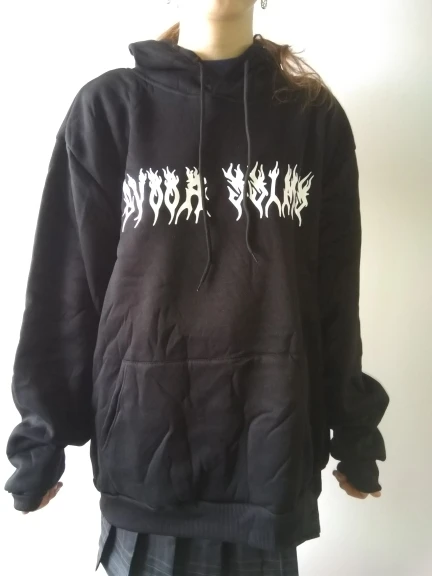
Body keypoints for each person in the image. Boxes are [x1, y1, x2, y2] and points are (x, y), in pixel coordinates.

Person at [4, 1, 389, 574]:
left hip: (269, 471)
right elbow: (66, 291)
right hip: (146, 477)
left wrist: (355, 434)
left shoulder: (312, 119)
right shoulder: (110, 110)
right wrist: (42, 441)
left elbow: (335, 298)